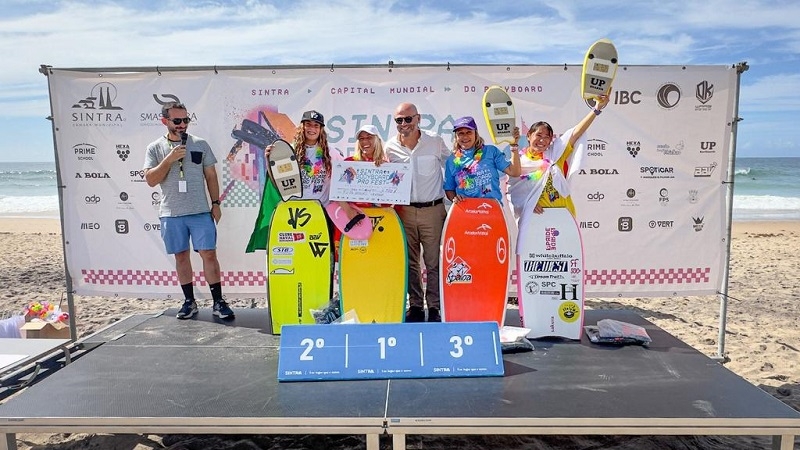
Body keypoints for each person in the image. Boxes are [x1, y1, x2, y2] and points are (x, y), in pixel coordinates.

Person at [143, 102, 234, 320]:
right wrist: (169, 159)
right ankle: (189, 302)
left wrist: (215, 203)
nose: (182, 124)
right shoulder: (154, 148)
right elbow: (150, 180)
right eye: (177, 121)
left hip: (200, 211)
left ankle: (218, 302)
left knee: (209, 254)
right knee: (181, 256)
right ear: (164, 121)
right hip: (171, 214)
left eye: (185, 120)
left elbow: (211, 176)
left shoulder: (200, 144)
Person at [385, 103, 451, 323]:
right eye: (399, 120)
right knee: (410, 261)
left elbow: (453, 167)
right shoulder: (389, 147)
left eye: (408, 119)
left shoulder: (435, 141)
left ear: (418, 118)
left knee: (433, 261)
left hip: (433, 210)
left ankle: (434, 307)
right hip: (403, 211)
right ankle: (414, 305)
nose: (404, 124)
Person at [508, 93, 611, 218]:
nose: (542, 140)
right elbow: (513, 193)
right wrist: (526, 204)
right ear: (529, 135)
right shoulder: (519, 162)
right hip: (534, 219)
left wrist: (596, 109)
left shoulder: (556, 154)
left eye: (547, 137)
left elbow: (576, 133)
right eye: (539, 135)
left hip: (563, 216)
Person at [444, 116, 521, 204]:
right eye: (460, 133)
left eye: (469, 132)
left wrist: (514, 145)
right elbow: (449, 189)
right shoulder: (452, 160)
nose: (465, 137)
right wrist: (455, 198)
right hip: (466, 210)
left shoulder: (491, 151)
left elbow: (514, 172)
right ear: (456, 136)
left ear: (475, 133)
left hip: (492, 207)